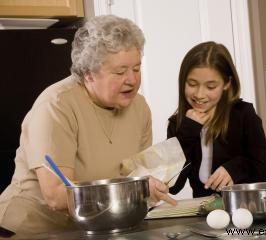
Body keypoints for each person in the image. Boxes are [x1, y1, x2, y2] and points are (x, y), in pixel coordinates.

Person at [0, 15, 176, 237]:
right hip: (30, 230)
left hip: (93, 229)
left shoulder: (139, 108)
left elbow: (136, 175)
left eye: (137, 68)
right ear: (88, 74)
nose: (132, 80)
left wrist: (149, 185)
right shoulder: (57, 105)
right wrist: (134, 189)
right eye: (120, 72)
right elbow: (55, 195)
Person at [167, 41, 266, 198]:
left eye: (210, 87)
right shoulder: (177, 124)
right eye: (192, 84)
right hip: (203, 211)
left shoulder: (243, 115)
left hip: (245, 208)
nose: (199, 94)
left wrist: (235, 168)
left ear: (227, 83)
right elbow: (173, 186)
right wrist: (188, 133)